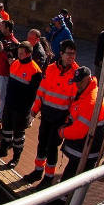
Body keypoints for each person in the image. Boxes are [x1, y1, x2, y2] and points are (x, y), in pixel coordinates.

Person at [28, 39, 79, 187]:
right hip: (47, 115)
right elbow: (41, 92)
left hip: (60, 118)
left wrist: (69, 120)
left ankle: (48, 177)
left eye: (73, 54)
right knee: (42, 143)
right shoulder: (50, 69)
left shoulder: (76, 74)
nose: (71, 57)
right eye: (68, 54)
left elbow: (75, 101)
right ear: (61, 54)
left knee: (52, 147)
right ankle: (38, 170)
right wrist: (34, 111)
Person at [0, 42, 43, 168]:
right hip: (9, 104)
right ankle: (3, 148)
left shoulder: (35, 71)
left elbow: (33, 94)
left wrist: (25, 109)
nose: (19, 55)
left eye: (22, 53)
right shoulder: (15, 64)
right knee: (6, 128)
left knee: (18, 135)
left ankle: (16, 157)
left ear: (29, 53)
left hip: (21, 108)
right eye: (19, 53)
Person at [59, 67, 104, 181]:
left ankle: (62, 198)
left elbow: (79, 131)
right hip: (83, 149)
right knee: (73, 178)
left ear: (88, 79)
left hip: (84, 151)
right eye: (76, 81)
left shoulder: (90, 101)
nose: (77, 85)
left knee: (71, 180)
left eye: (80, 82)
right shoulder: (86, 92)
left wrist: (62, 132)